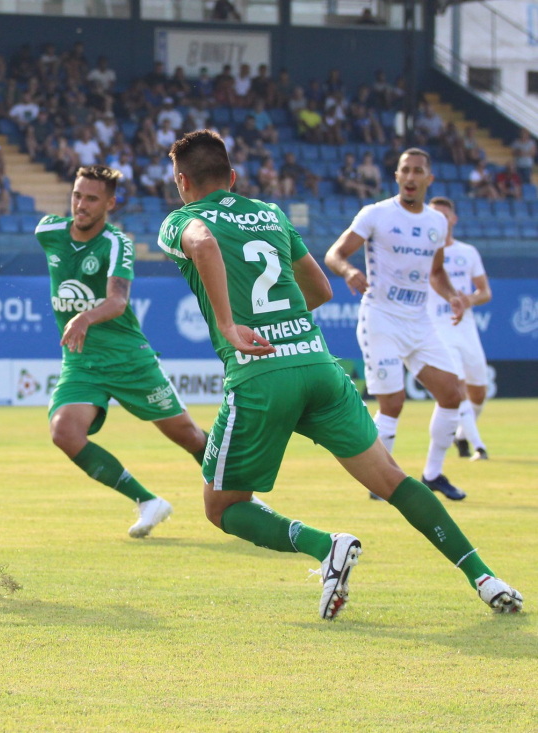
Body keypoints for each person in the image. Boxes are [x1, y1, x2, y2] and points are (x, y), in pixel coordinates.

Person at [157, 130, 522, 618]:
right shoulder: (270, 214)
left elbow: (202, 243)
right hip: (319, 367)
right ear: (234, 176)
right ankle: (485, 577)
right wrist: (282, 326)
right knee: (393, 479)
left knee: (222, 507)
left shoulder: (182, 218)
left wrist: (230, 324)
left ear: (182, 180)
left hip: (261, 378)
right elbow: (321, 288)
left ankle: (326, 546)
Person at [35, 166, 209, 537]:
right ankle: (148, 501)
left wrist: (83, 317)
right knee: (64, 432)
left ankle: (242, 493)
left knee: (188, 436)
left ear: (110, 203)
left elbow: (117, 301)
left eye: (91, 199)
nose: (80, 205)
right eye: (77, 195)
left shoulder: (117, 243)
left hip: (128, 357)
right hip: (82, 360)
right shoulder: (49, 231)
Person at [325, 149, 472, 502]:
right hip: (381, 318)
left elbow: (436, 272)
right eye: (404, 170)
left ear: (428, 179)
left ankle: (433, 474)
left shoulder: (437, 222)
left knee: (452, 394)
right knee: (393, 402)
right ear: (396, 177)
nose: (410, 177)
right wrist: (348, 271)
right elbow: (334, 254)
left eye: (417, 171)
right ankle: (380, 479)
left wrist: (451, 294)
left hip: (420, 322)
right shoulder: (376, 213)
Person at [426, 197, 492, 461]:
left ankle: (461, 435)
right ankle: (479, 446)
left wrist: (470, 299)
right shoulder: (423, 252)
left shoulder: (468, 252)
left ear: (454, 219)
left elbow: (485, 291)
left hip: (466, 328)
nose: (441, 220)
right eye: (435, 216)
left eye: (445, 215)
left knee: (479, 391)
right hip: (438, 328)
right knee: (457, 386)